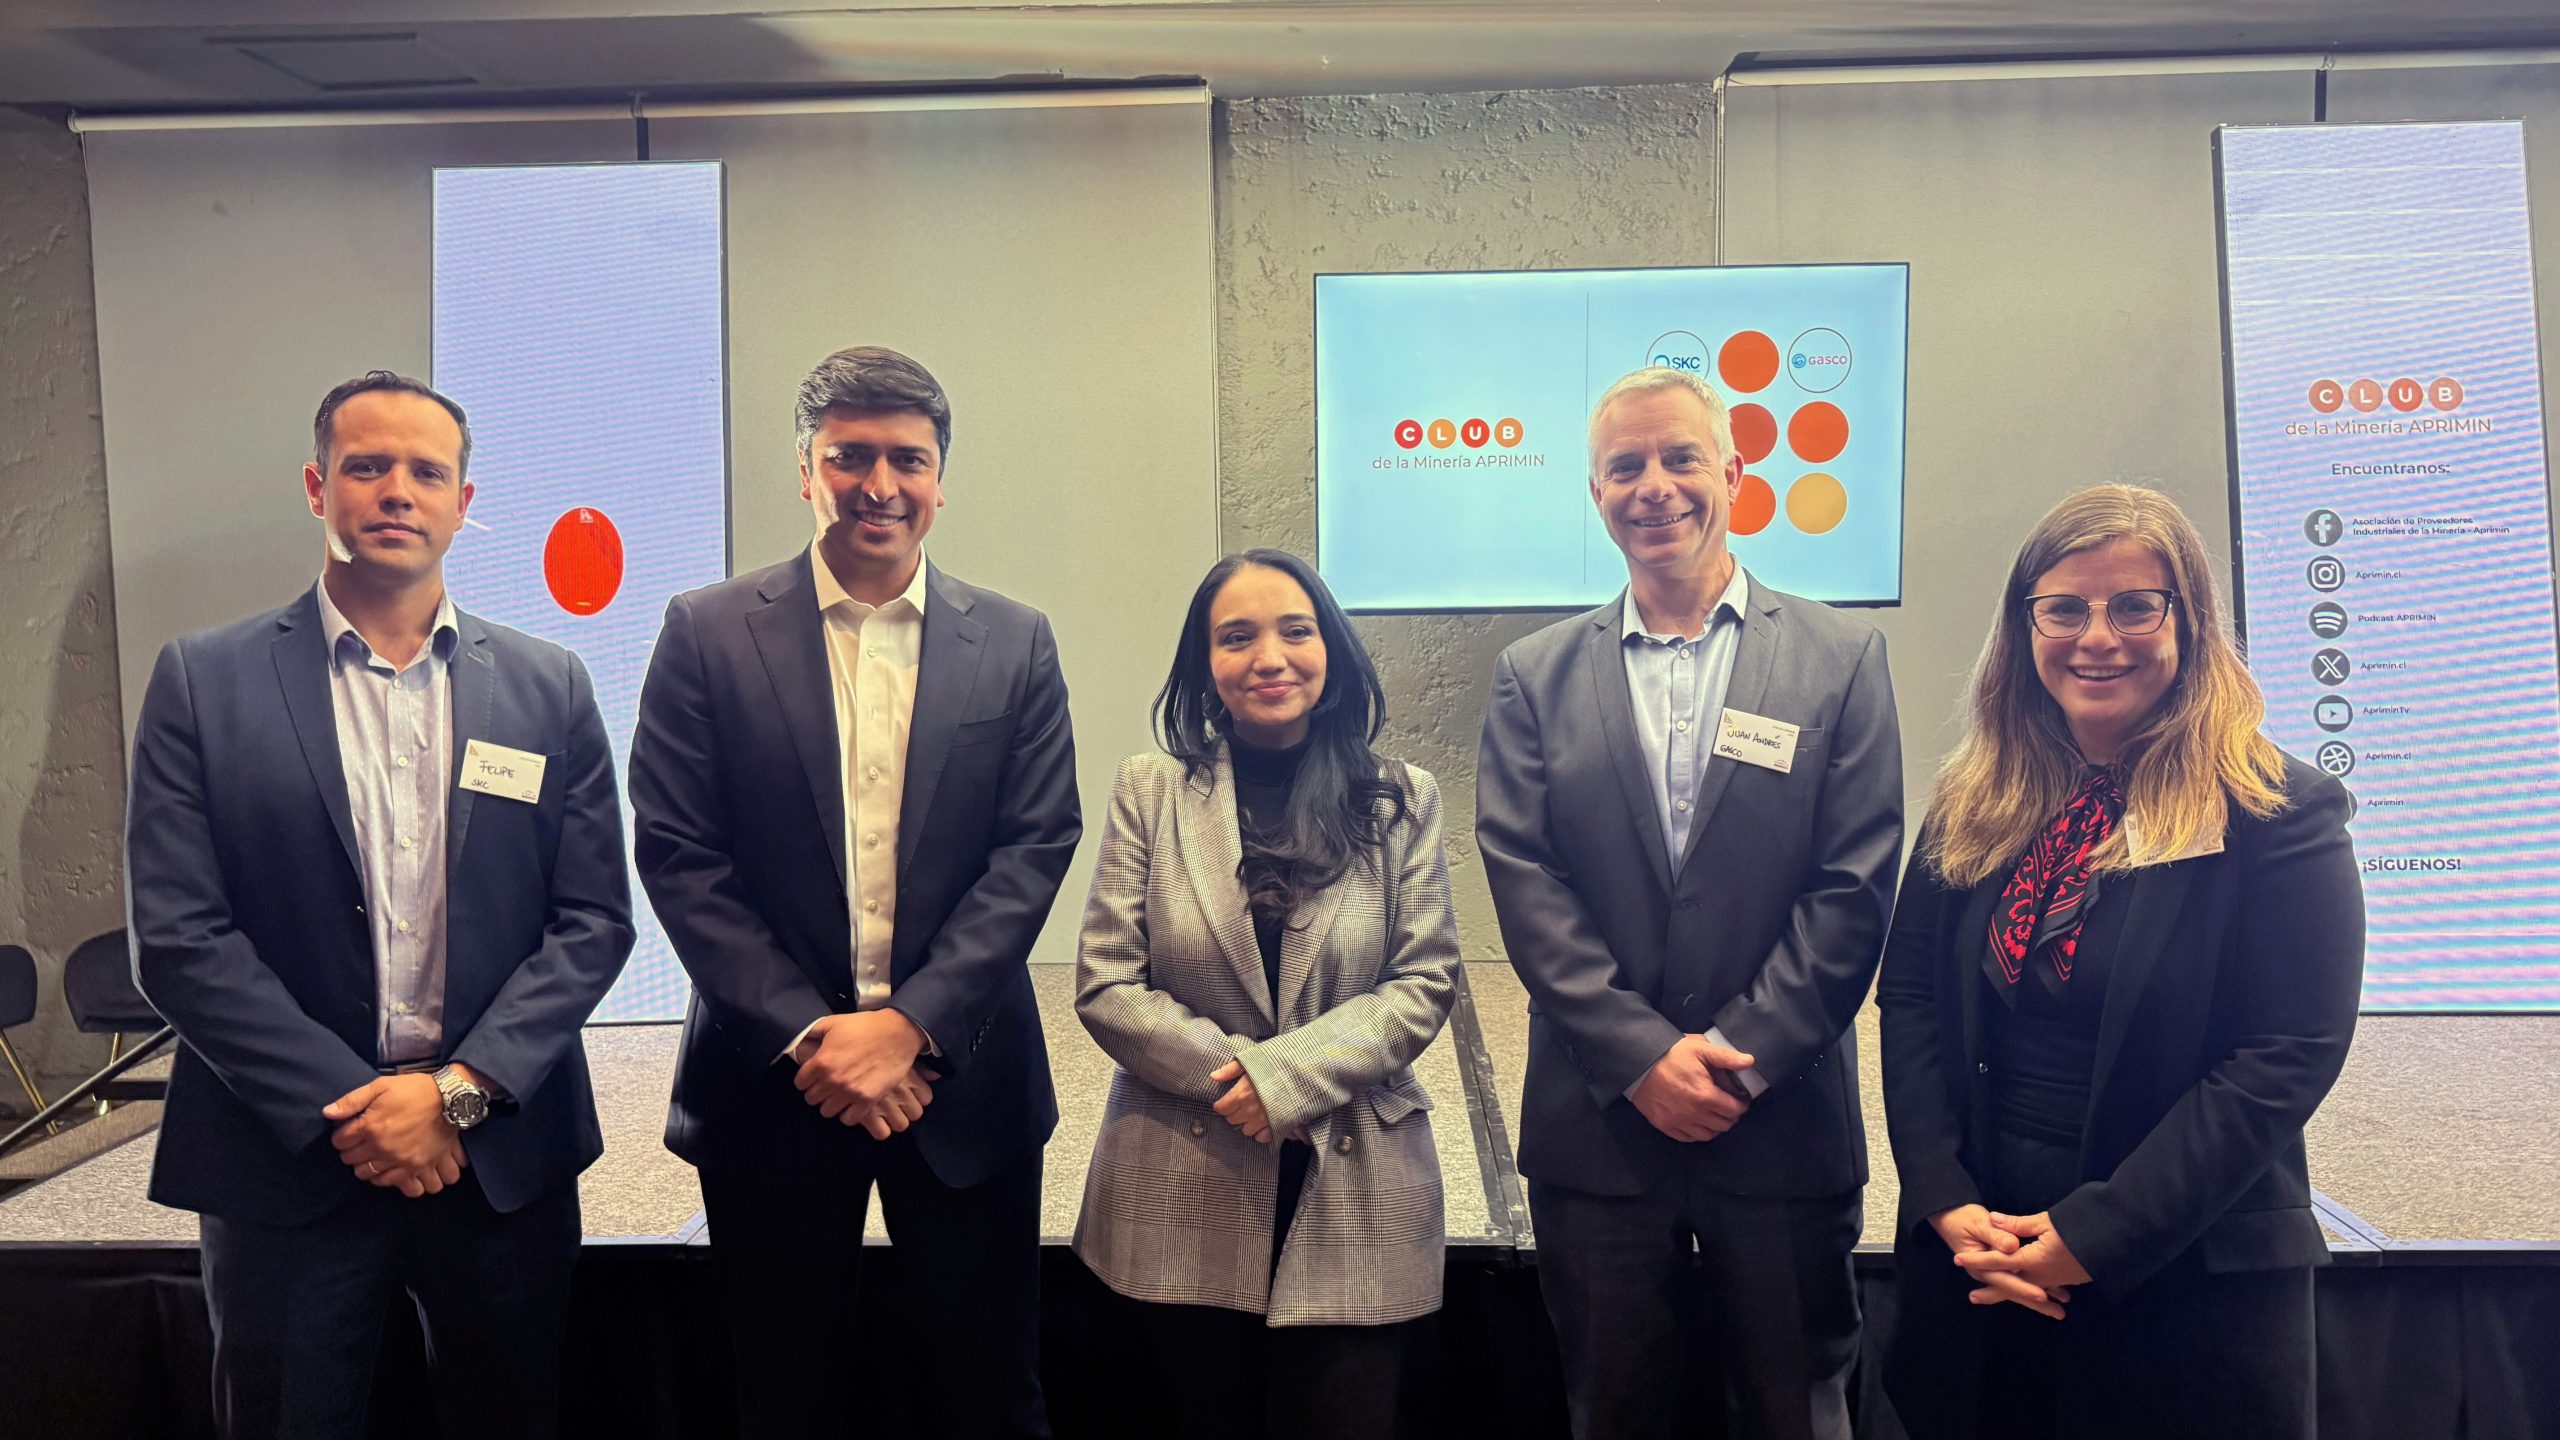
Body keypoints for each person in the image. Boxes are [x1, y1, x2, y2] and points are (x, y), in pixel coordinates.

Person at [127, 370, 635, 1438]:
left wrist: (454, 1097)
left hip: (496, 1163)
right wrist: (359, 1112)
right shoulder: (202, 681)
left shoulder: (550, 686)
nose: (397, 490)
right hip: (287, 1165)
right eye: (366, 467)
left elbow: (591, 924)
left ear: (462, 502)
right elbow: (179, 938)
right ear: (318, 487)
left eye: (426, 472)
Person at [629, 346, 1080, 1439]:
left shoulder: (1014, 640)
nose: (880, 484)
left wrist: (911, 1028)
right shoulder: (705, 631)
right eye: (850, 457)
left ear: (941, 478)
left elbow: (1033, 846)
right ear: (806, 470)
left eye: (907, 460)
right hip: (772, 1084)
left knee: (991, 1399)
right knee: (782, 1400)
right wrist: (812, 1037)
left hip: (963, 1084)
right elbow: (681, 854)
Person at [1877, 483, 2363, 1440]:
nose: (2097, 637)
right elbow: (1913, 998)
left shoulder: (2277, 813)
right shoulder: (1975, 801)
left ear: (2190, 620)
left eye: (2135, 605)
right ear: (2024, 628)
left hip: (2184, 1284)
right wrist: (1941, 1195)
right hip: (1984, 1265)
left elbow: (2286, 1056)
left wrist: (2094, 1236)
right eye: (2063, 608)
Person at [1476, 366, 1904, 1440]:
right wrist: (1641, 1059)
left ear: (1735, 474)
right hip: (1600, 1133)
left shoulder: (1841, 659)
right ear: (1596, 493)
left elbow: (1852, 885)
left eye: (1679, 458)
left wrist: (1738, 1060)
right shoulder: (1532, 675)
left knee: (1797, 1414)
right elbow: (1526, 882)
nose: (1653, 486)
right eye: (1625, 467)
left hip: (1781, 1121)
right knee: (1612, 1414)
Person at [1073, 548, 1461, 1440]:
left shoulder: (1402, 798)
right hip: (1181, 1179)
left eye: (1296, 631)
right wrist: (1241, 1081)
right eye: (1237, 637)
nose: (1270, 657)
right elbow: (1108, 981)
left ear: (1332, 651)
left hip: (1355, 1177)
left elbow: (1423, 979)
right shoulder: (1150, 790)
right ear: (1205, 664)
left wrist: (1283, 1082)